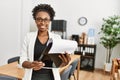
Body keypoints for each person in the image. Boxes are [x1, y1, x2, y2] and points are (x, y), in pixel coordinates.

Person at [20, 4, 71, 80]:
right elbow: (22, 60)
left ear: (50, 20)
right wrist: (31, 64)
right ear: (35, 20)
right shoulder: (28, 37)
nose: (42, 23)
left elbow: (57, 63)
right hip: (32, 77)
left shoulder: (57, 38)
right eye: (39, 19)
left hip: (51, 77)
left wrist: (63, 63)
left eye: (46, 19)